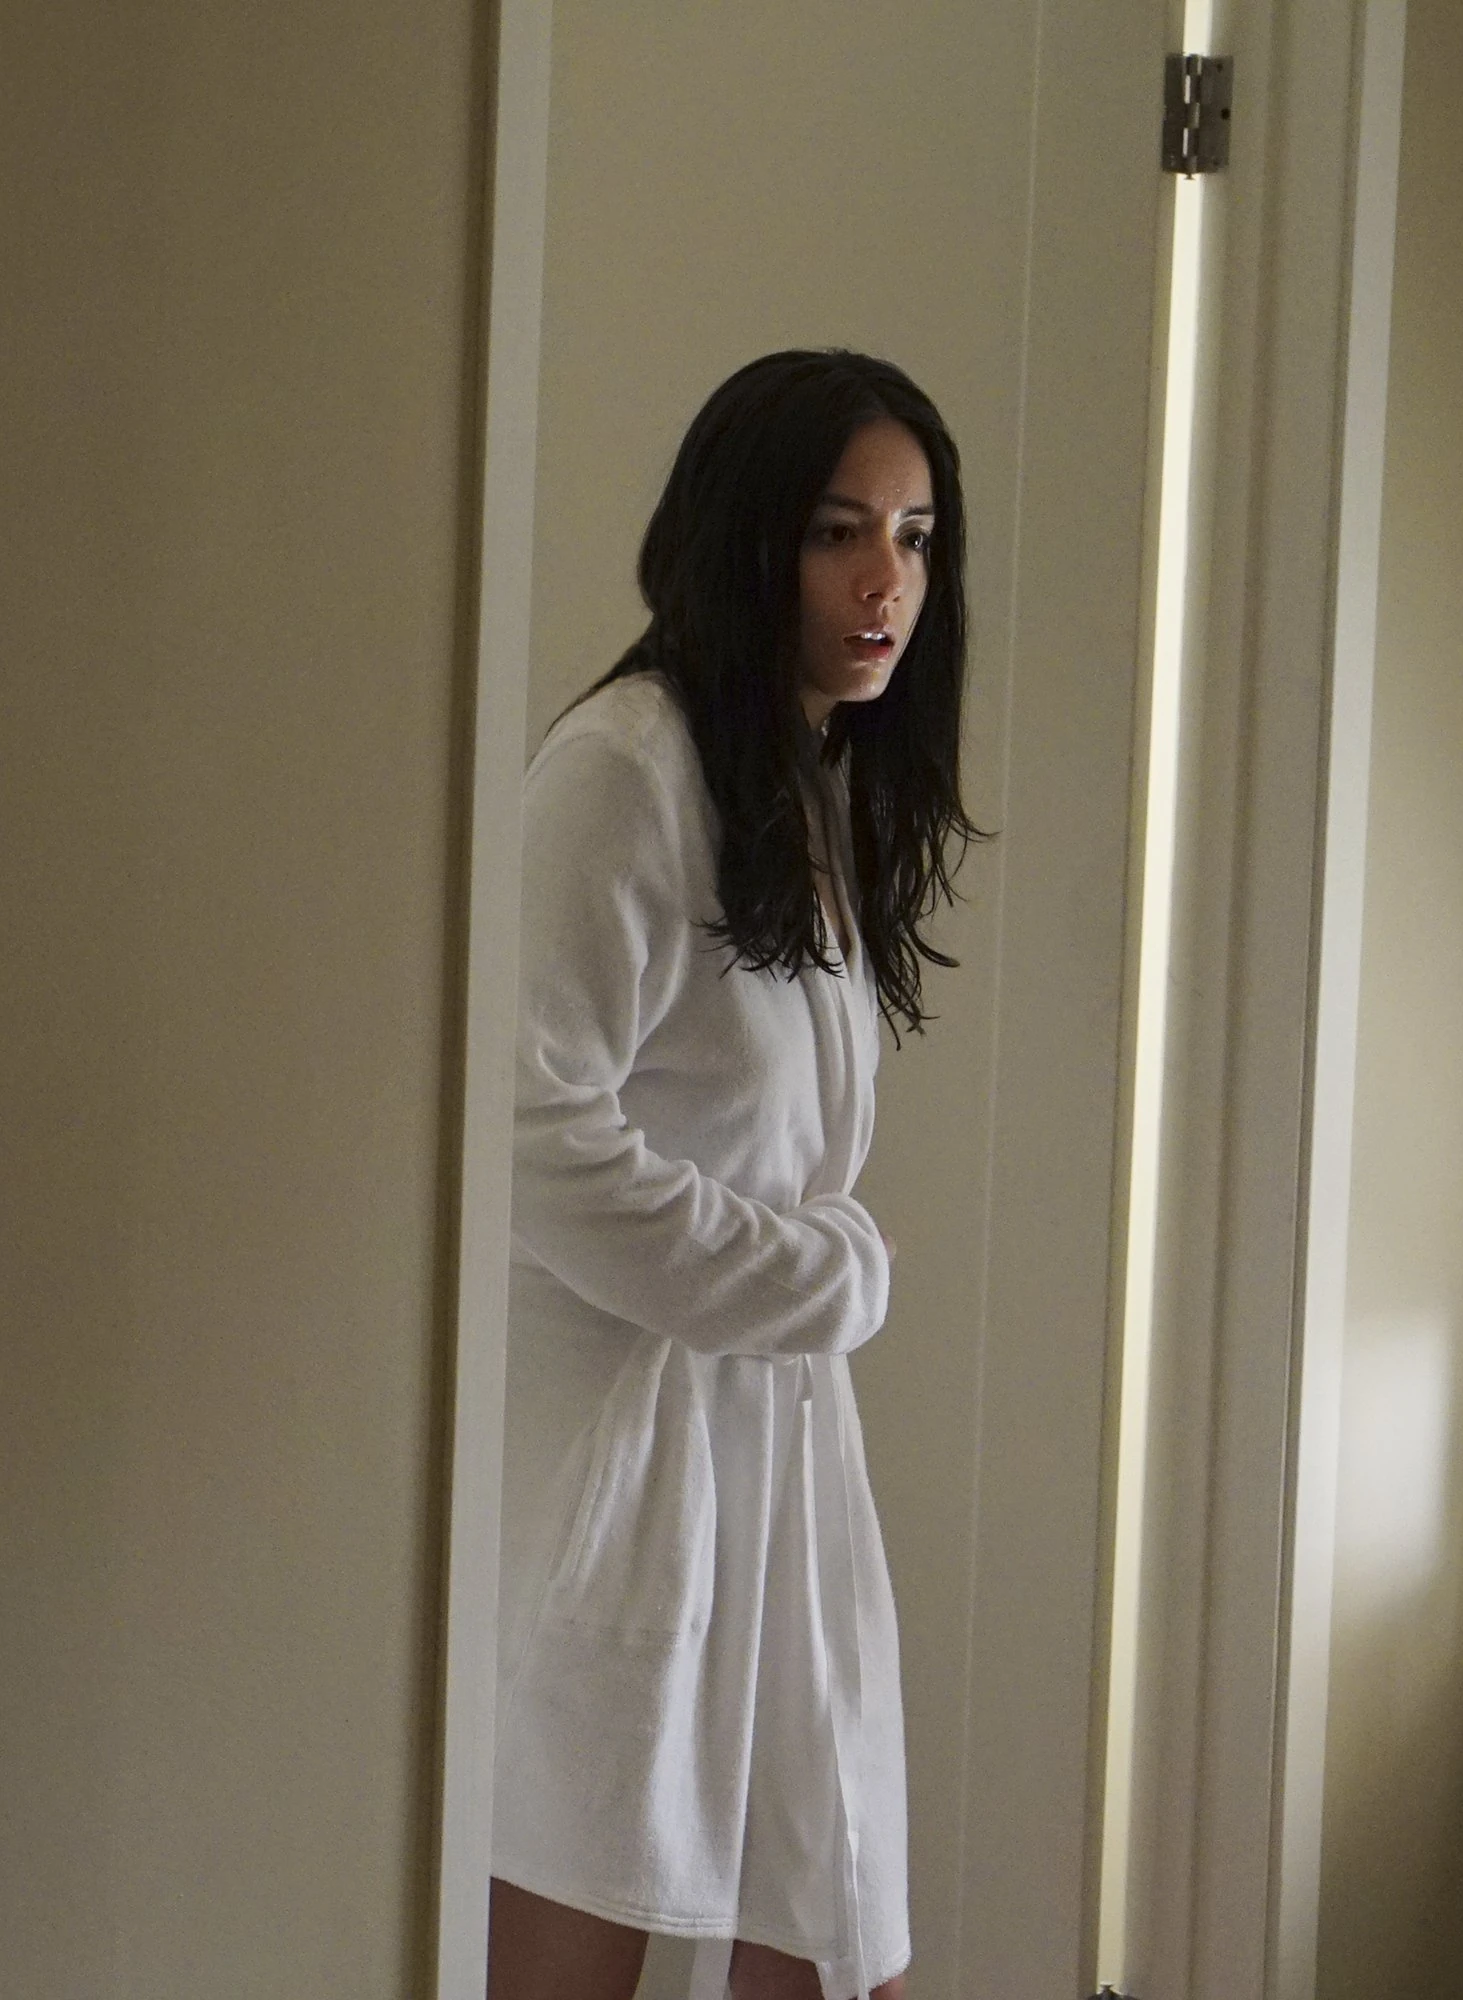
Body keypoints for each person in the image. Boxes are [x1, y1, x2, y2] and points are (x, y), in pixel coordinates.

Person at [489, 350, 978, 2000]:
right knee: (580, 1942)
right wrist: (819, 1279)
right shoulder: (624, 773)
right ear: (745, 538)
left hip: (778, 1465)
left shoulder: (800, 779)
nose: (884, 581)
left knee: (837, 1942)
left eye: (914, 537)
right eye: (840, 532)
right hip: (621, 1469)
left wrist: (809, 1296)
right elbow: (525, 1133)